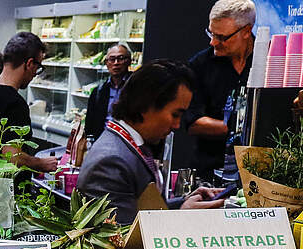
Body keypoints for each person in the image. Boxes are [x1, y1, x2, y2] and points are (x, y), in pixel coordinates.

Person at [77, 60, 226, 225]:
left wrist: (184, 203)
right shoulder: (111, 162)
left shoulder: (127, 145)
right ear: (146, 105)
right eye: (175, 114)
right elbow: (124, 240)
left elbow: (143, 210)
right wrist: (182, 217)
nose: (177, 125)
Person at [185, 0, 255, 182]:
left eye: (222, 37)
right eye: (211, 33)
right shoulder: (199, 65)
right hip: (209, 172)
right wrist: (243, 132)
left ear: (247, 31)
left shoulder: (272, 61)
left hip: (259, 173)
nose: (213, 42)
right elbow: (192, 121)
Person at [0, 32, 56, 173]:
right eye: (38, 67)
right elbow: (11, 156)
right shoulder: (14, 103)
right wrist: (40, 163)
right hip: (4, 189)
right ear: (29, 64)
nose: (35, 74)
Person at [84, 43, 133, 140]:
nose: (116, 63)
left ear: (129, 62)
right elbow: (90, 124)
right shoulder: (98, 91)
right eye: (112, 59)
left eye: (121, 58)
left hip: (128, 144)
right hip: (102, 142)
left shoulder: (137, 87)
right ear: (106, 63)